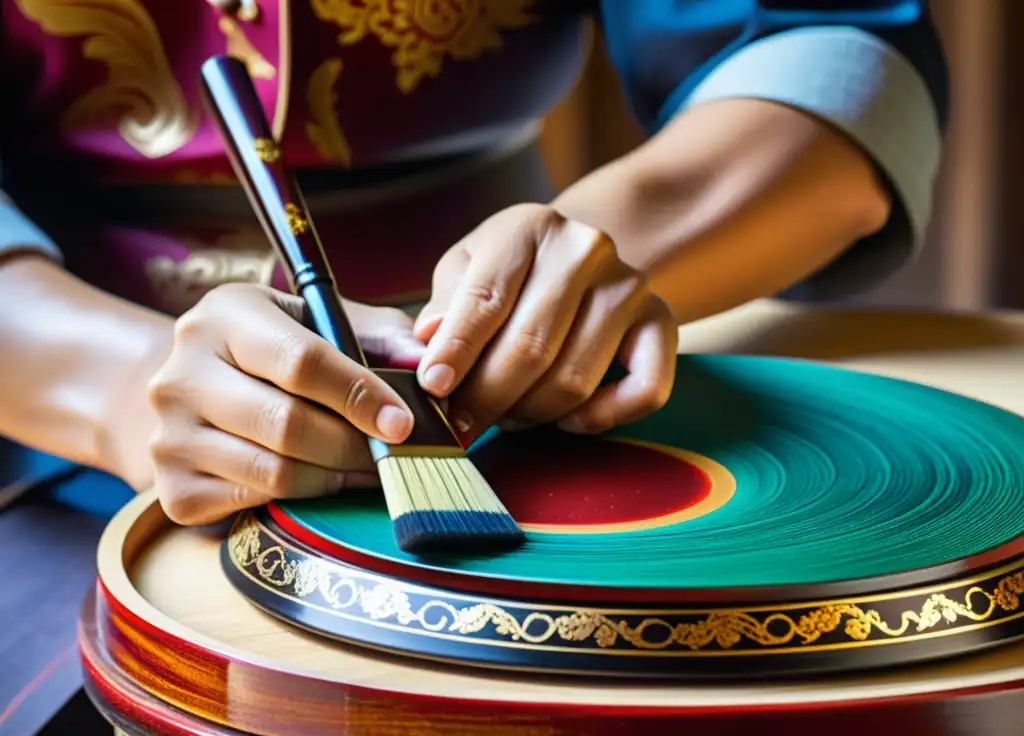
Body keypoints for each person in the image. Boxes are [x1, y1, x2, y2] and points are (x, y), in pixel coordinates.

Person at [0, 0, 947, 526]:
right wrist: (126, 386)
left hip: (534, 404)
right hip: (44, 423)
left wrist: (582, 264)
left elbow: (826, 45)